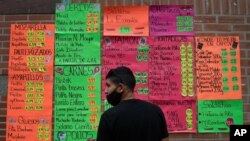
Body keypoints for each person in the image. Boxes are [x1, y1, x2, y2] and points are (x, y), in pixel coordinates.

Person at [97, 66, 169, 141]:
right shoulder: (156, 111)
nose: (106, 91)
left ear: (120, 88)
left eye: (108, 86)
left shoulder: (109, 117)